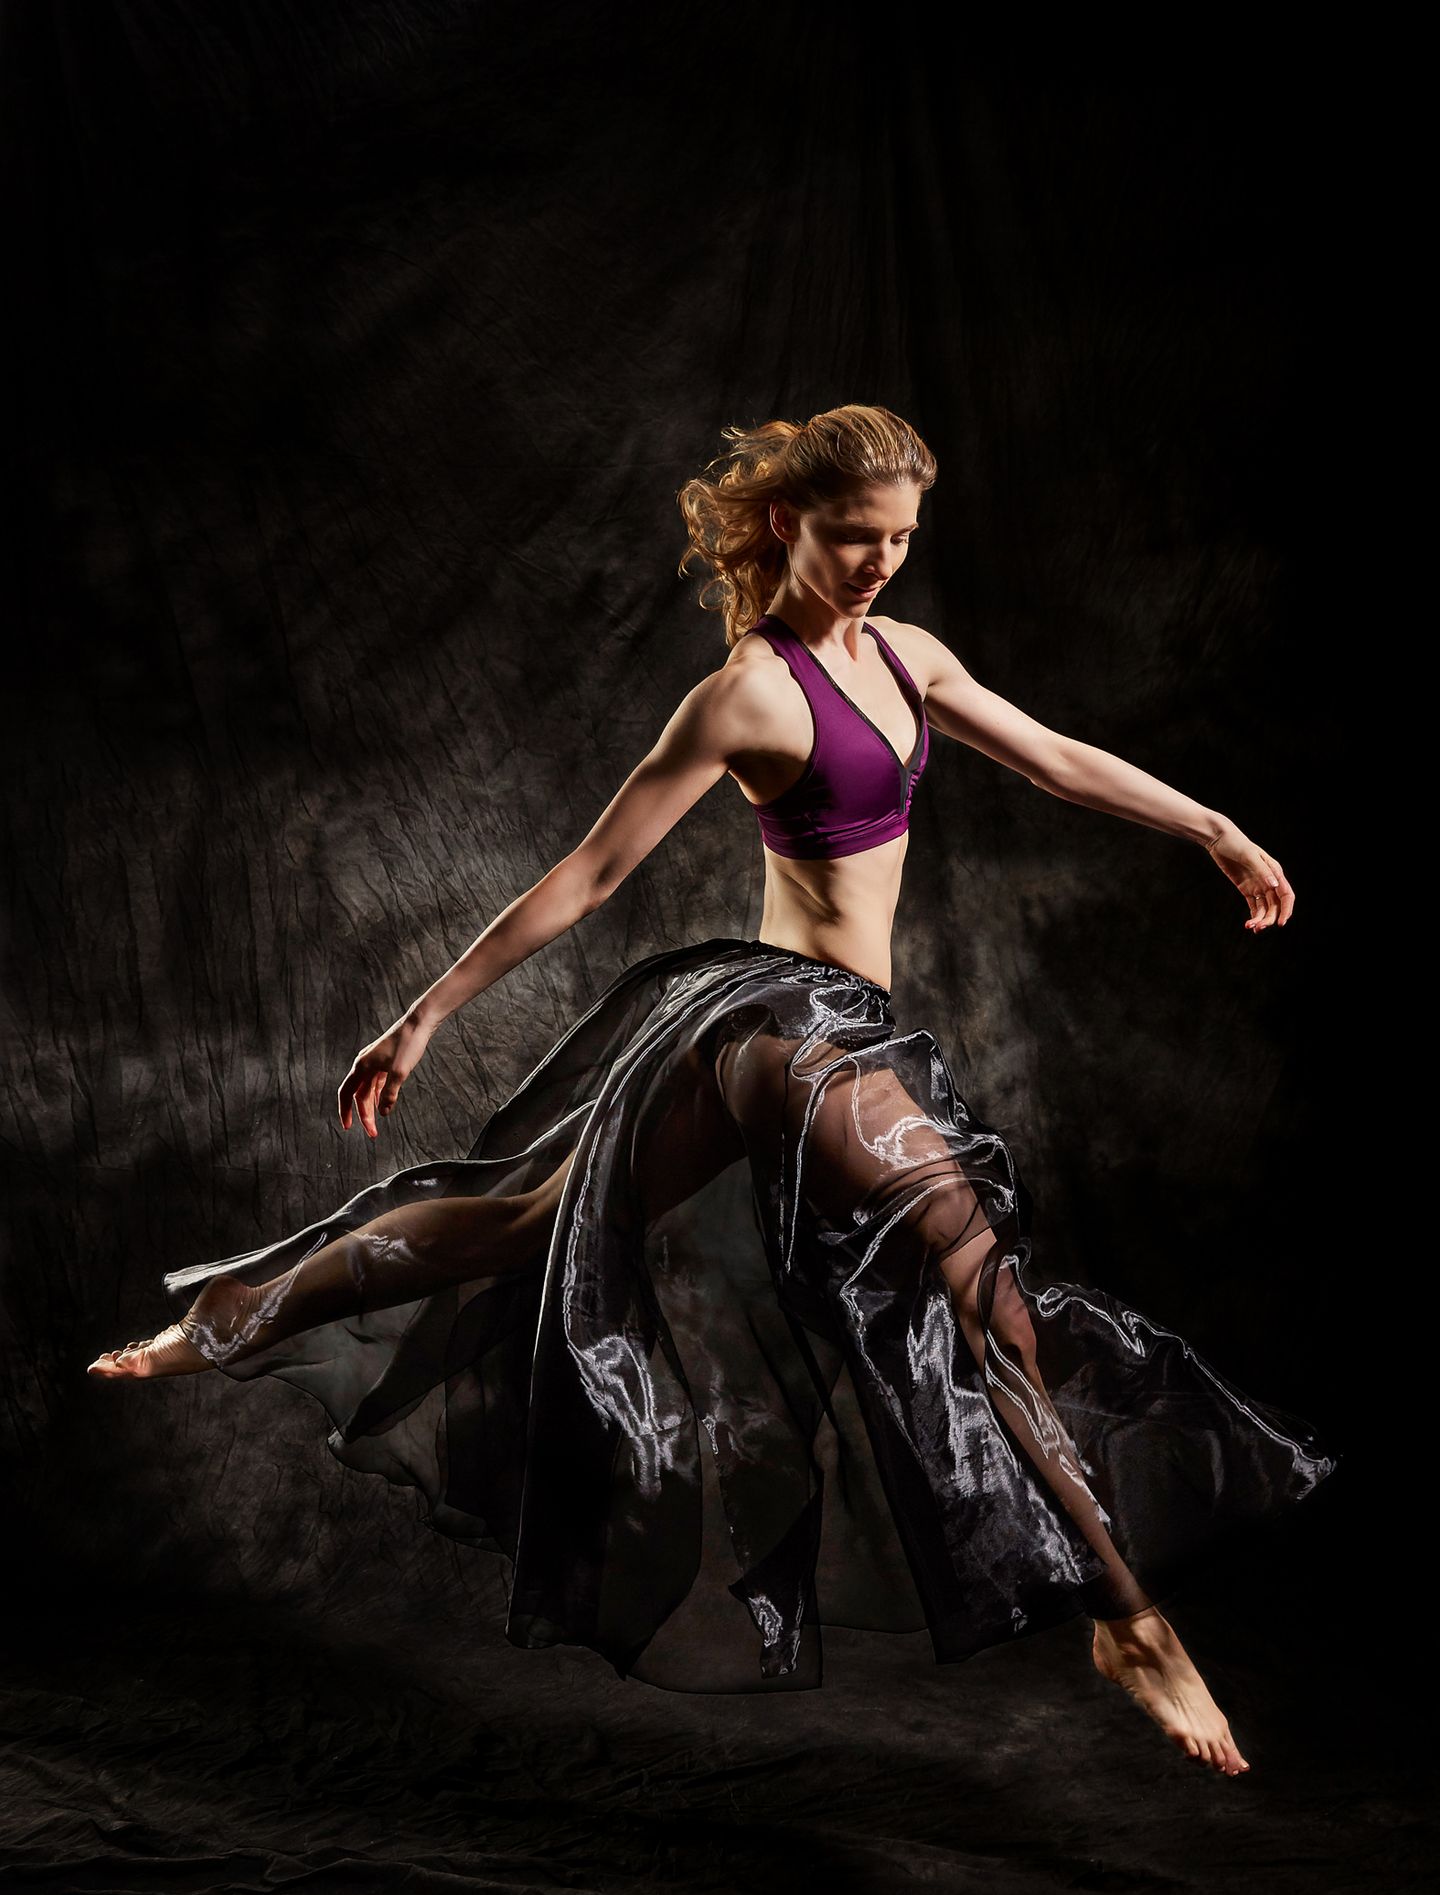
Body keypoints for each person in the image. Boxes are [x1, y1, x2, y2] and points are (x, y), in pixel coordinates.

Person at [88, 405, 1335, 1772]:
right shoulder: (747, 693)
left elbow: (1056, 759)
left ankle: (229, 1317)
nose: (879, 562)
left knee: (528, 1224)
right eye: (855, 536)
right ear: (790, 522)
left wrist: (1213, 827)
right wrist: (423, 1015)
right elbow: (592, 871)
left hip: (835, 1030)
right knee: (975, 1288)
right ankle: (1130, 1621)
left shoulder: (910, 657)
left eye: (901, 539)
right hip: (782, 1028)